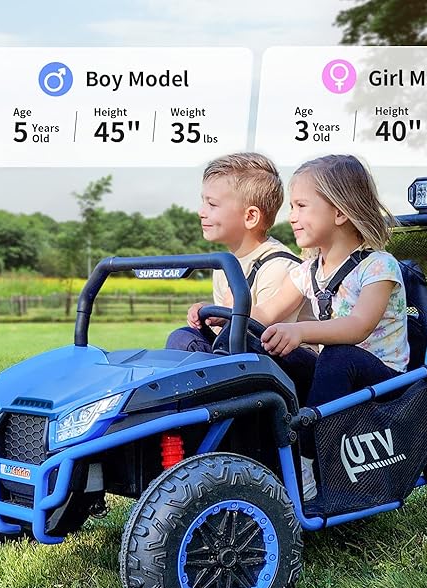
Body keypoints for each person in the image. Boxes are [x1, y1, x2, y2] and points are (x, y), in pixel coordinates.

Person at [250, 154, 410, 499]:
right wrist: (225, 315)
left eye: (301, 206)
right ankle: (260, 444)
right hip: (338, 376)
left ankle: (306, 460)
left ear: (339, 212)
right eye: (291, 207)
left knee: (338, 355)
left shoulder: (378, 266)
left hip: (386, 381)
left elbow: (358, 327)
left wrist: (301, 332)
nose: (291, 217)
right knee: (269, 349)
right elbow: (265, 312)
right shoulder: (308, 270)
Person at [165, 152, 315, 355]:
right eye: (203, 202)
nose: (201, 212)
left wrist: (228, 315)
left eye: (212, 204)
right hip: (239, 349)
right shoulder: (223, 265)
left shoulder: (278, 266)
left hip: (281, 358)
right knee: (182, 337)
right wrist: (212, 314)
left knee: (233, 343)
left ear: (251, 216)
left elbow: (263, 336)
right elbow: (225, 334)